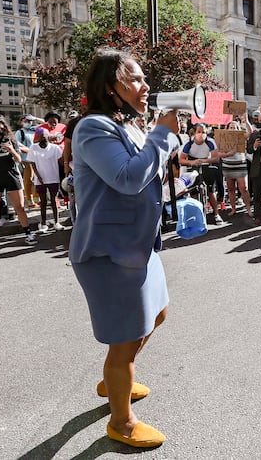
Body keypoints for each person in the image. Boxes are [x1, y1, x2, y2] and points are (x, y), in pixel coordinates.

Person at [69, 48, 180, 448]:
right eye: (133, 78)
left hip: (137, 245)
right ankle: (122, 420)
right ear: (108, 88)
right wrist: (163, 134)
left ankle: (115, 377)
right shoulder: (93, 127)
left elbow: (145, 174)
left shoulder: (129, 125)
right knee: (127, 338)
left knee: (158, 314)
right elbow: (127, 178)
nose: (145, 85)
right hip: (108, 252)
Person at [0, 114, 37, 248]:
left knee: (19, 207)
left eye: (1, 128)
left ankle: (28, 233)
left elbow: (19, 159)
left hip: (12, 177)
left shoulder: (10, 140)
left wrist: (11, 150)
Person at [179, 123, 224, 225]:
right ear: (194, 133)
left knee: (211, 190)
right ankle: (197, 214)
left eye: (203, 132)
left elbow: (216, 158)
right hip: (193, 165)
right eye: (199, 132)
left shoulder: (210, 142)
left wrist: (205, 160)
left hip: (206, 164)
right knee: (194, 191)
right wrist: (192, 162)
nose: (201, 134)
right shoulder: (189, 144)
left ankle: (216, 214)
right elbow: (181, 160)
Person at [27, 127, 64, 232]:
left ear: (48, 136)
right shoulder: (33, 148)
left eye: (44, 136)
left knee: (54, 201)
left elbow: (61, 161)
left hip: (53, 178)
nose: (42, 138)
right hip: (40, 180)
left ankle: (57, 222)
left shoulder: (55, 148)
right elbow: (32, 163)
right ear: (37, 137)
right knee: (43, 202)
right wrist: (38, 176)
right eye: (40, 136)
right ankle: (43, 223)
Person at [220, 119, 252, 217]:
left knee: (244, 188)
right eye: (231, 127)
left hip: (240, 164)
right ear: (227, 129)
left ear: (238, 129)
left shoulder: (241, 137)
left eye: (235, 127)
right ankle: (233, 209)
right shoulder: (222, 138)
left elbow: (250, 132)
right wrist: (228, 154)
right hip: (228, 165)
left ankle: (249, 209)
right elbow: (217, 153)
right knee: (231, 188)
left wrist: (246, 121)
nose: (233, 129)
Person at [15, 114, 40, 208]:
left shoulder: (34, 130)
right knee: (28, 179)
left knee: (37, 178)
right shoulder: (19, 132)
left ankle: (37, 198)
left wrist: (35, 118)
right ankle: (29, 200)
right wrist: (29, 151)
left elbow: (45, 123)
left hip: (37, 158)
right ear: (21, 122)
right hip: (26, 159)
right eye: (25, 121)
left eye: (29, 121)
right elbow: (18, 145)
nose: (28, 123)